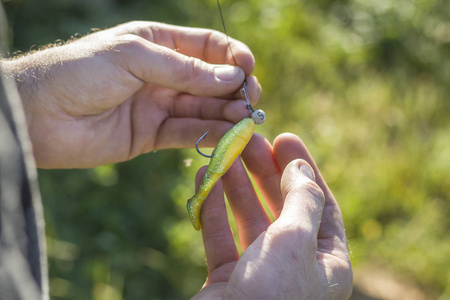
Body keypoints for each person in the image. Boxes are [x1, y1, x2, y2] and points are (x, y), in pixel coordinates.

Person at [0, 11, 352, 300]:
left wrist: (25, 101)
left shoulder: (242, 129)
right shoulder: (242, 127)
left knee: (216, 173)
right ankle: (195, 201)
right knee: (215, 174)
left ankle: (196, 201)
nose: (255, 117)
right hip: (219, 160)